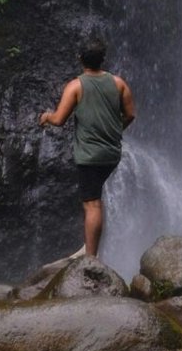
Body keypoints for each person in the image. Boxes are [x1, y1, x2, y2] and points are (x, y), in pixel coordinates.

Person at [38, 33, 135, 260]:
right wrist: (115, 130)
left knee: (92, 204)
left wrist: (46, 117)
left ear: (80, 58)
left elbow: (60, 119)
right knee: (96, 196)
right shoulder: (119, 83)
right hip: (112, 154)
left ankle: (91, 258)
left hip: (90, 156)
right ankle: (89, 245)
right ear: (102, 60)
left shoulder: (75, 86)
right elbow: (131, 114)